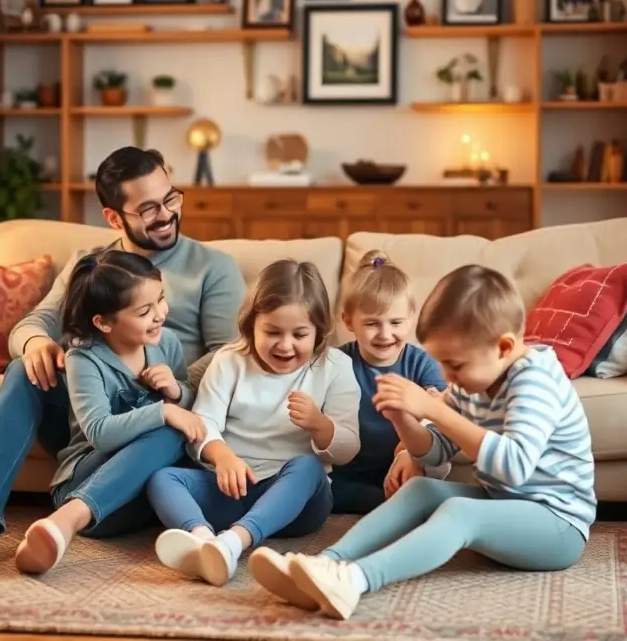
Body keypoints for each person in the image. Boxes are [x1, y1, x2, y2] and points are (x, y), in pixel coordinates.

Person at [0, 147, 245, 568]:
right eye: (147, 209)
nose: (166, 215)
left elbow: (227, 356)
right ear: (114, 217)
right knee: (23, 369)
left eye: (170, 199)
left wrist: (170, 385)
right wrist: (37, 345)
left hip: (161, 407)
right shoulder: (89, 266)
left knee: (170, 424)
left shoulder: (212, 267)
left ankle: (69, 517)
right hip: (92, 412)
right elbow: (33, 325)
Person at [252, 264, 595, 620]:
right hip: (507, 507)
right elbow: (432, 450)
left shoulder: (534, 381)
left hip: (558, 527)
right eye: (443, 365)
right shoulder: (471, 382)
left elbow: (513, 467)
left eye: (455, 365)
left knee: (459, 513)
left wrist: (436, 409)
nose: (448, 377)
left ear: (504, 347)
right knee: (419, 489)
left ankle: (353, 580)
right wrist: (403, 416)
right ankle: (324, 566)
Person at [146, 259, 361, 587]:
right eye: (272, 332)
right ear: (251, 326)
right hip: (231, 488)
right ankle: (204, 543)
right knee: (162, 478)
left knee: (308, 467)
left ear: (319, 332)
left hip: (295, 505)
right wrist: (223, 457)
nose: (285, 344)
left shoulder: (335, 366)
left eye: (299, 334)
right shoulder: (230, 360)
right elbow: (203, 423)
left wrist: (321, 425)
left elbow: (347, 449)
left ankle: (234, 542)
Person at [14, 249, 208, 575]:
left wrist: (177, 391)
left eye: (161, 299)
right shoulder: (84, 358)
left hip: (137, 500)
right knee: (168, 426)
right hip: (85, 483)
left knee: (174, 434)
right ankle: (65, 521)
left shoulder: (167, 343)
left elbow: (188, 410)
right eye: (145, 310)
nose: (160, 313)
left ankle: (200, 536)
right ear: (102, 322)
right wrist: (164, 411)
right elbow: (99, 432)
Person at [328, 250, 448, 515]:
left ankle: (398, 502)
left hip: (405, 466)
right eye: (372, 323)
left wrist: (409, 453)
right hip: (345, 475)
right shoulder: (336, 362)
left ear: (411, 317)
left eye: (396, 322)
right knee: (317, 487)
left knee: (428, 470)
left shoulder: (421, 362)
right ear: (348, 321)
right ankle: (386, 504)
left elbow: (441, 414)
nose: (385, 334)